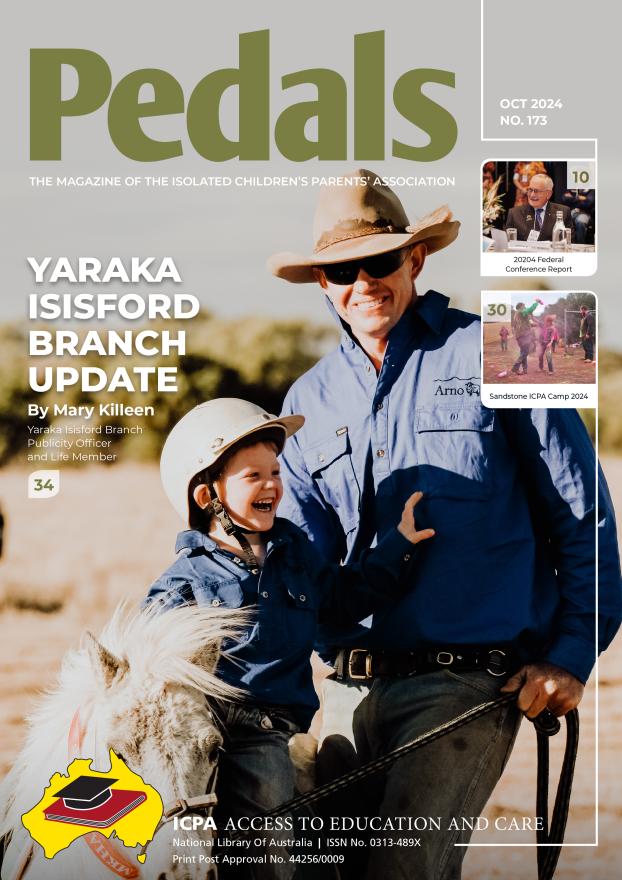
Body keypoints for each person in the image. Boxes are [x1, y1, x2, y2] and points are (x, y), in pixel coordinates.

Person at [268, 170, 622, 880]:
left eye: (381, 261)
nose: (364, 281)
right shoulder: (305, 399)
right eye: (344, 269)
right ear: (323, 284)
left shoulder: (520, 342)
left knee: (402, 871)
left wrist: (571, 654)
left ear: (416, 260)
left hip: (466, 685)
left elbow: (585, 514)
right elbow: (299, 569)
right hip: (344, 686)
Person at [144, 397, 432, 879]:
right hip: (204, 730)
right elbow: (150, 673)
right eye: (252, 476)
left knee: (276, 834)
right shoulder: (181, 581)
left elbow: (343, 597)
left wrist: (398, 547)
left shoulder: (295, 552)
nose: (271, 485)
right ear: (206, 498)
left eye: (274, 473)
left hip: (267, 729)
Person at [505, 173, 572, 241]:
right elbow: (506, 243)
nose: (532, 195)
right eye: (530, 190)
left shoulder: (563, 212)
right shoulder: (514, 214)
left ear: (548, 194)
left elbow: (570, 243)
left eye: (536, 191)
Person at [511, 299, 542, 375]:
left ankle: (525, 369)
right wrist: (537, 302)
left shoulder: (517, 315)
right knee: (525, 352)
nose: (525, 307)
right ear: (521, 307)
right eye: (524, 306)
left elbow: (525, 324)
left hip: (520, 336)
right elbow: (530, 309)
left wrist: (535, 324)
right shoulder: (521, 312)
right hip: (524, 335)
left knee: (523, 352)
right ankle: (515, 367)